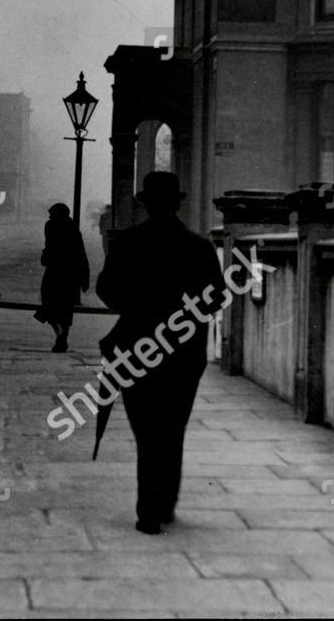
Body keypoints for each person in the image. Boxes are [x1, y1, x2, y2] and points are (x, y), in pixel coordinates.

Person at [95, 170, 226, 534]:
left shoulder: (128, 243)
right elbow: (216, 297)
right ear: (177, 203)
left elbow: (106, 290)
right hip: (184, 354)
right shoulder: (198, 247)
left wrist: (138, 306)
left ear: (146, 203)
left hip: (138, 349)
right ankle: (164, 502)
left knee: (147, 430)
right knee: (172, 428)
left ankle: (149, 511)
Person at [34, 202, 89, 352]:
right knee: (66, 309)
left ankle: (59, 333)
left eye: (51, 213)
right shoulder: (74, 230)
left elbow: (49, 246)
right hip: (71, 274)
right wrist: (85, 278)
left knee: (48, 302)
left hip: (55, 271)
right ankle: (62, 338)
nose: (49, 216)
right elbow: (81, 254)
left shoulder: (50, 226)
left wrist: (46, 257)